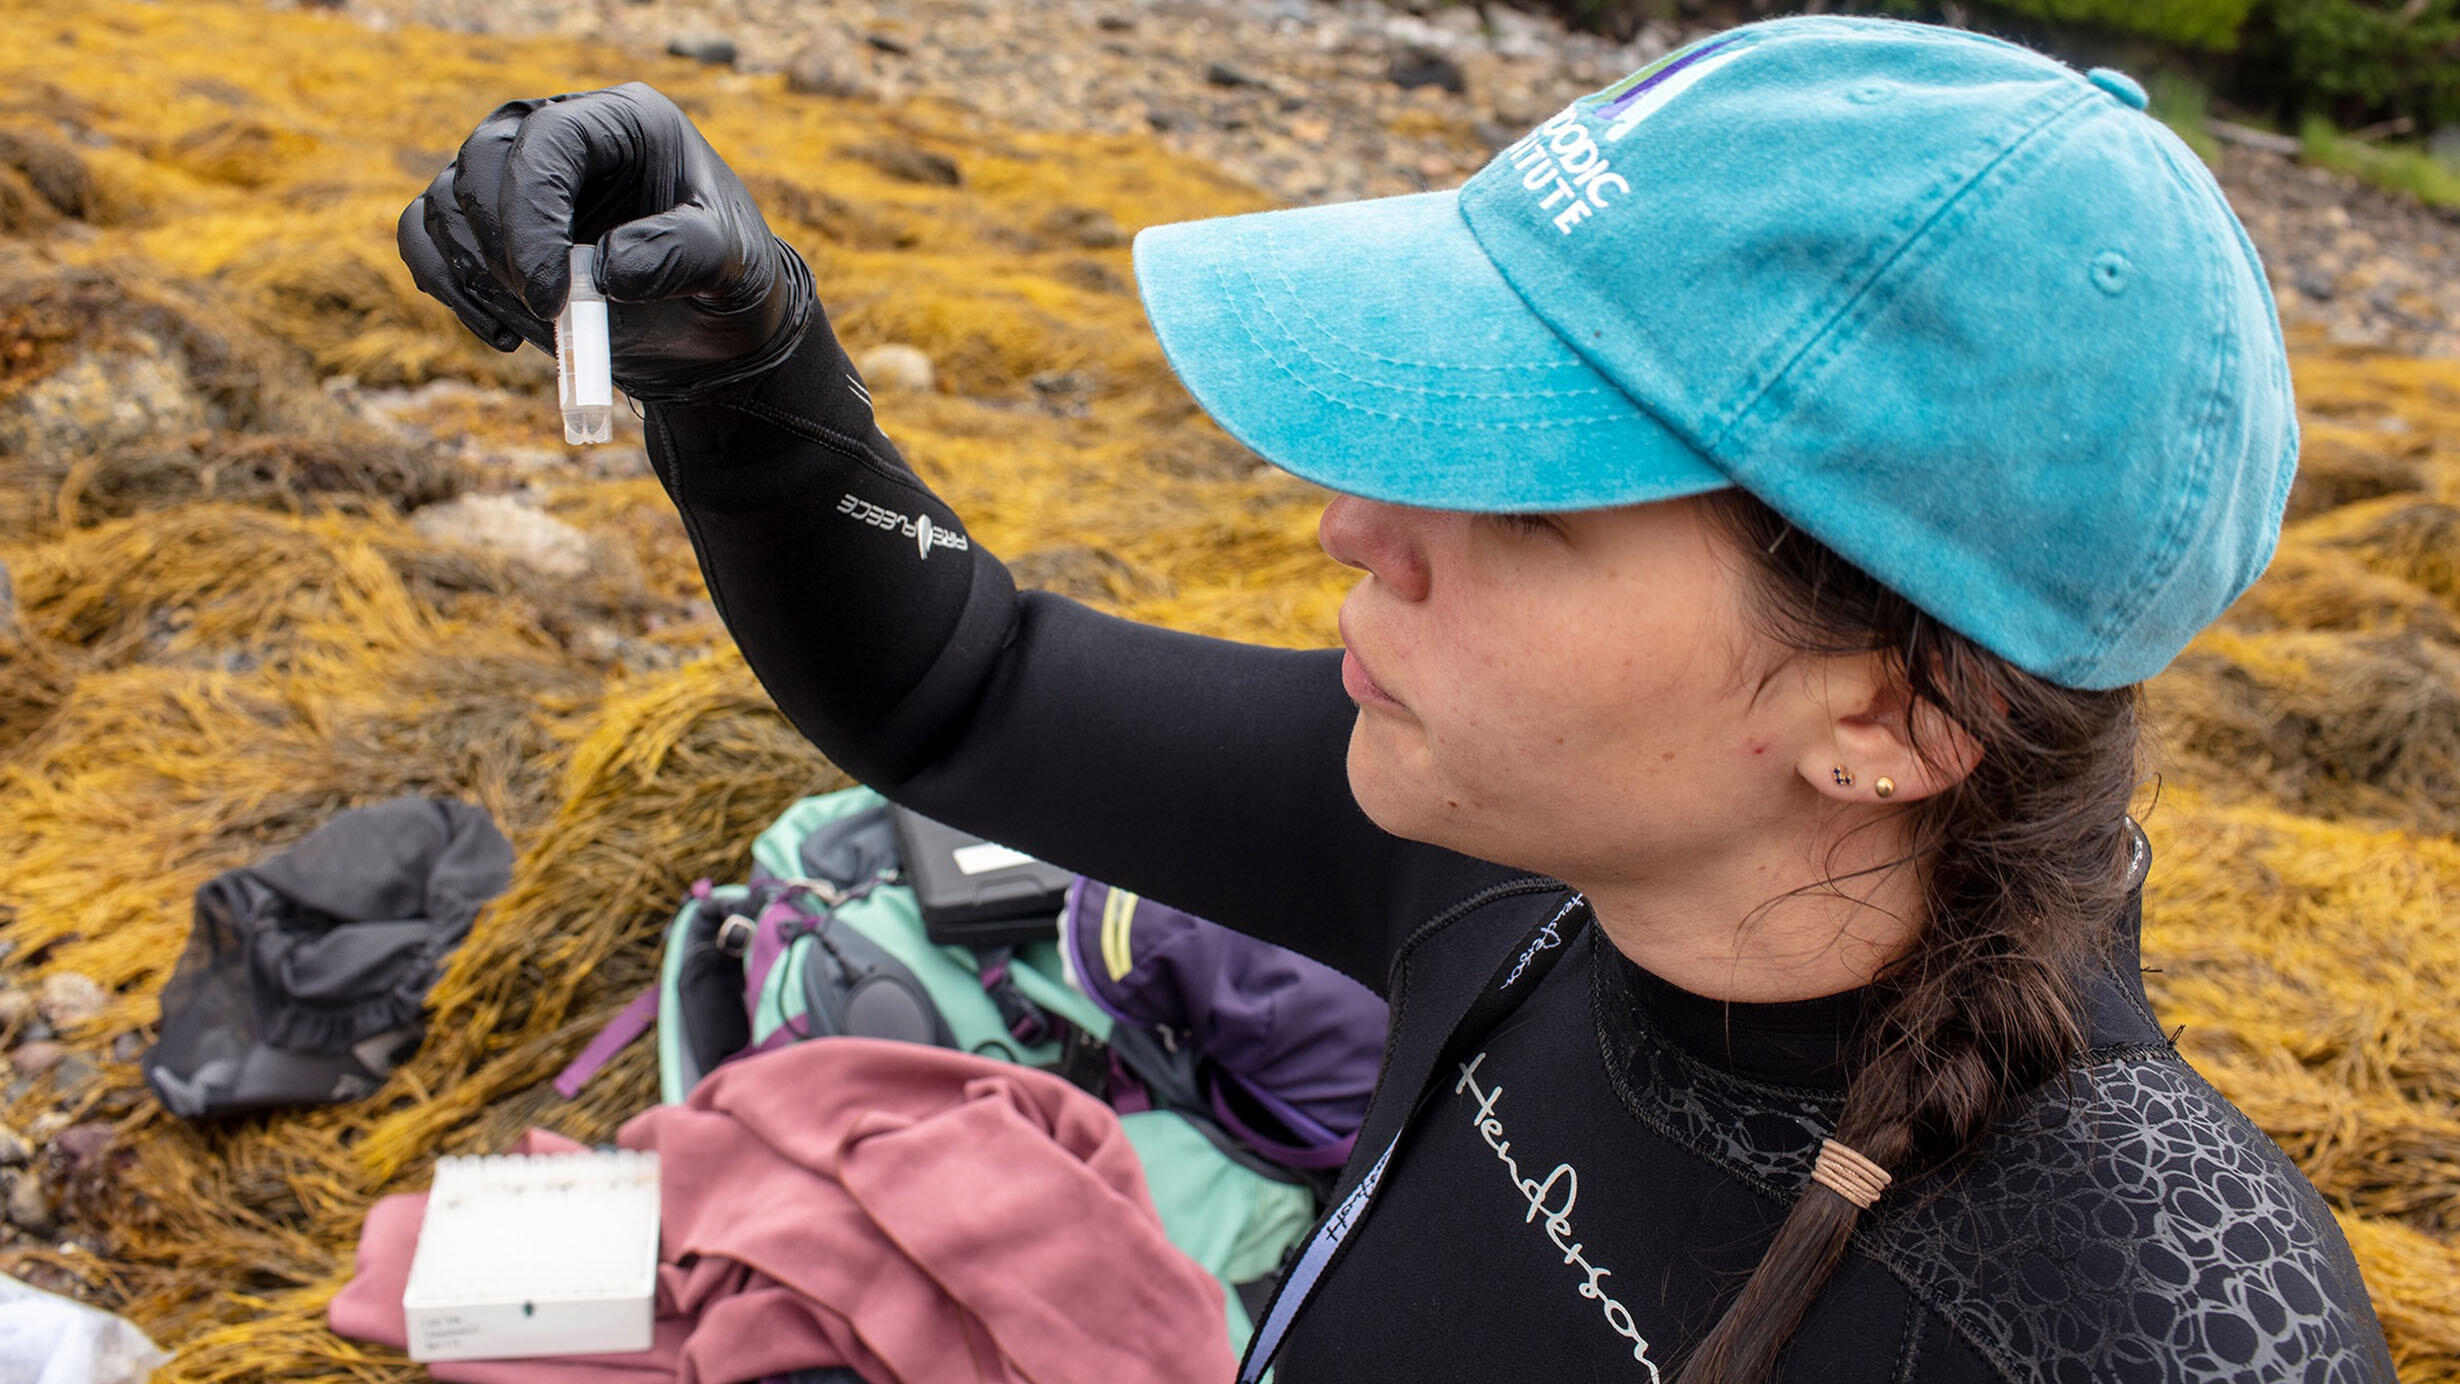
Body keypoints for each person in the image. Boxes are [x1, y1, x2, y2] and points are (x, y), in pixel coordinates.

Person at [401, 16, 2398, 1382]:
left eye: (1525, 497)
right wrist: (744, 356)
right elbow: (962, 688)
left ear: (1891, 717)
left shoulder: (2155, 1329)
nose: (1356, 517)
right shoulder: (1539, 861)